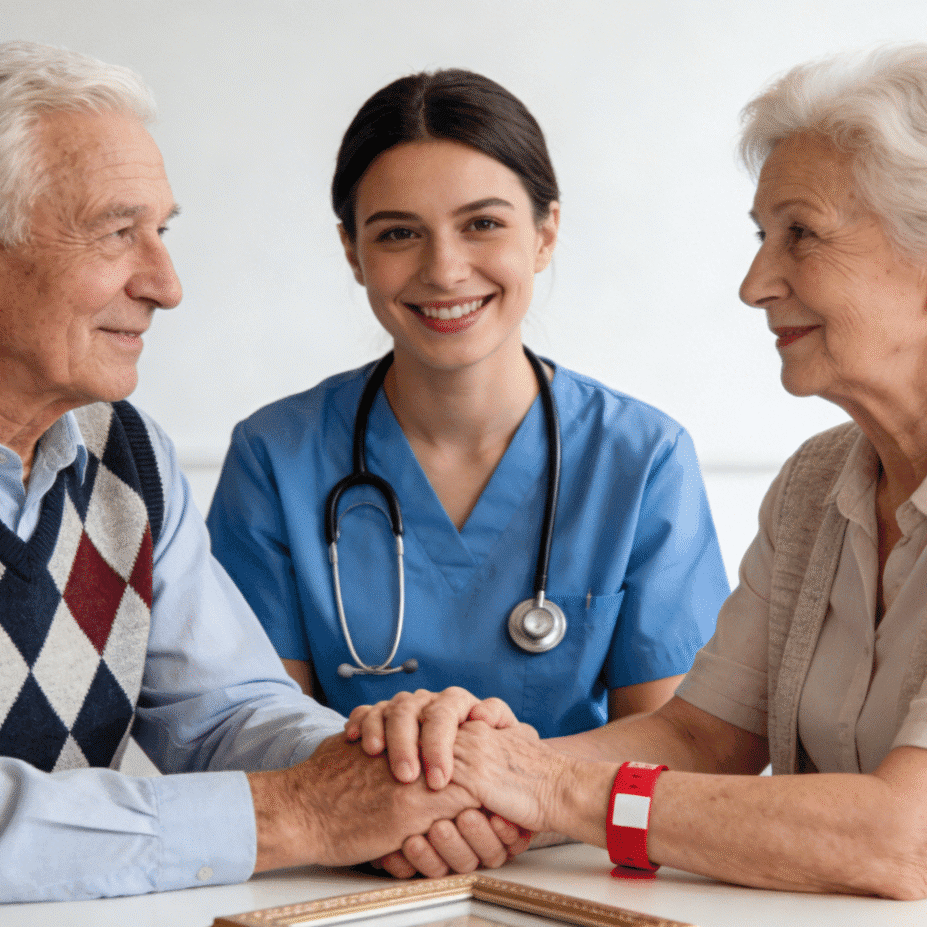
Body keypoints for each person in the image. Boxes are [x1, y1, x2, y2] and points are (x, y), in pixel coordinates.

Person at [359, 44, 927, 898]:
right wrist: (472, 776)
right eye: (763, 237)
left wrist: (549, 790)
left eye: (802, 234)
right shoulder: (817, 485)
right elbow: (704, 740)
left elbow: (913, 840)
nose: (755, 283)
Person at [0, 41, 488, 908]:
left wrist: (394, 769)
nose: (166, 284)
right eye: (117, 232)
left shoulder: (126, 454)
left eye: (162, 231)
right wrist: (299, 816)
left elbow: (226, 713)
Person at [206, 70, 729, 748]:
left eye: (483, 224)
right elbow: (251, 734)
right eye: (399, 234)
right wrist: (399, 788)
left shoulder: (640, 458)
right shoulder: (276, 457)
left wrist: (507, 784)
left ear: (545, 234)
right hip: (345, 818)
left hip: (567, 821)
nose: (445, 270)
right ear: (352, 253)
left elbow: (679, 746)